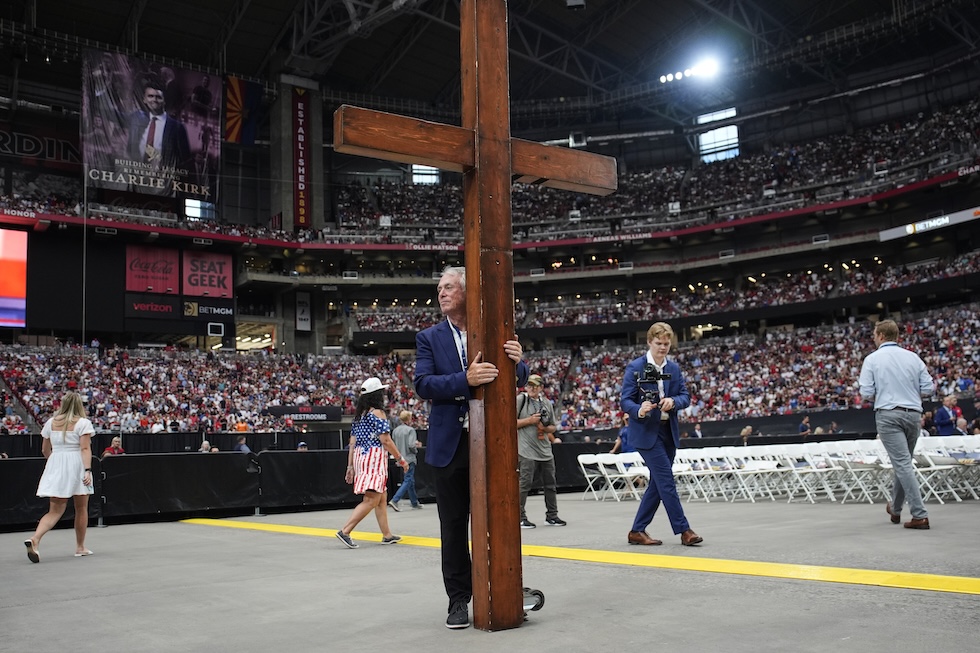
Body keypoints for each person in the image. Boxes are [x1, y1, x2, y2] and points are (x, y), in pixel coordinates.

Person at [414, 265, 529, 630]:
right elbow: (423, 384)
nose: (441, 292)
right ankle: (459, 599)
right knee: (453, 526)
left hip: (492, 442)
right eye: (439, 288)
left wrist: (519, 362)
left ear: (468, 291)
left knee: (500, 520)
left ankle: (503, 590)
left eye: (449, 286)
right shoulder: (428, 337)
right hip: (450, 446)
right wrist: (464, 380)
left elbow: (520, 379)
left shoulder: (496, 330)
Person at [620, 322, 702, 548]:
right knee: (666, 480)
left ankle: (637, 530)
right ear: (649, 342)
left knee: (658, 483)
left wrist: (673, 401)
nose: (663, 347)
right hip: (646, 433)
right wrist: (639, 409)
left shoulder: (674, 369)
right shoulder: (635, 367)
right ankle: (684, 530)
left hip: (668, 431)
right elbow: (625, 400)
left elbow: (685, 396)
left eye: (666, 343)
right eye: (659, 343)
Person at [858, 319, 935, 530]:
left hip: (889, 413)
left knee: (902, 464)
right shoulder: (913, 357)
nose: (873, 338)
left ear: (881, 336)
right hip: (913, 414)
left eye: (874, 335)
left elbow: (866, 393)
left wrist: (884, 394)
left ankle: (920, 514)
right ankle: (896, 509)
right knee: (904, 463)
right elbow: (928, 388)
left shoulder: (872, 359)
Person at [336, 378, 409, 549]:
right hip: (374, 457)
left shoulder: (359, 416)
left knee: (381, 498)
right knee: (371, 499)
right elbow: (386, 440)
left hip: (361, 457)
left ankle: (387, 535)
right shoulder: (377, 413)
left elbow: (352, 444)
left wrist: (350, 466)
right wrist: (400, 459)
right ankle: (345, 531)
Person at [24, 392, 95, 562]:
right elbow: (85, 449)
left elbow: (44, 449)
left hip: (57, 462)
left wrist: (54, 464)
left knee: (55, 510)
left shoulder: (50, 422)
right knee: (81, 508)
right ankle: (80, 547)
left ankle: (35, 539)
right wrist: (87, 470)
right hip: (76, 463)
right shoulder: (83, 423)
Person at [516, 374, 565, 529]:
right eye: (529, 385)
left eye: (535, 386)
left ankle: (552, 515)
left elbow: (553, 427)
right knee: (524, 484)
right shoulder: (520, 400)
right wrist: (530, 421)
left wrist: (544, 427)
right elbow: (508, 422)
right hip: (525, 449)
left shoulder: (546, 403)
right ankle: (520, 516)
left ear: (541, 387)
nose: (531, 388)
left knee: (550, 484)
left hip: (544, 449)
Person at [127, 77, 191, 172]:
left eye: (159, 97)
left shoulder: (177, 127)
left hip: (163, 182)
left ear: (164, 101)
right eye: (150, 96)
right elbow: (111, 114)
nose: (154, 100)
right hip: (136, 179)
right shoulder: (136, 117)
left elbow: (185, 160)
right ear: (144, 99)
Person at [388, 410, 423, 511]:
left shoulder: (395, 430)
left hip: (400, 458)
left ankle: (414, 502)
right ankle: (395, 500)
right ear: (408, 419)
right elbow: (411, 445)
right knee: (408, 480)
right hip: (409, 458)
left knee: (409, 480)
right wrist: (416, 448)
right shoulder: (410, 430)